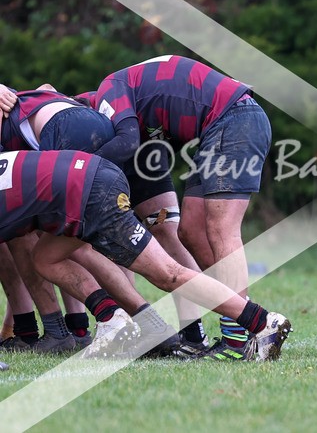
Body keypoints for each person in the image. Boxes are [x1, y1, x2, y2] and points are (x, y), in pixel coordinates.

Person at [0, 148, 291, 360]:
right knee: (45, 257)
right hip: (90, 177)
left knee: (168, 274)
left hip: (90, 191)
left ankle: (263, 322)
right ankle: (111, 318)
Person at [0, 83, 210, 355]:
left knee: (82, 244)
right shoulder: (42, 99)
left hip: (93, 134)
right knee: (92, 242)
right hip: (122, 133)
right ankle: (142, 327)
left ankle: (144, 325)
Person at [88, 55, 271, 360]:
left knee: (220, 228)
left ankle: (239, 336)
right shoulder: (125, 109)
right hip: (219, 126)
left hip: (233, 117)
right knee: (190, 231)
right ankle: (242, 320)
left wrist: (82, 169)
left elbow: (127, 142)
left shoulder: (109, 89)